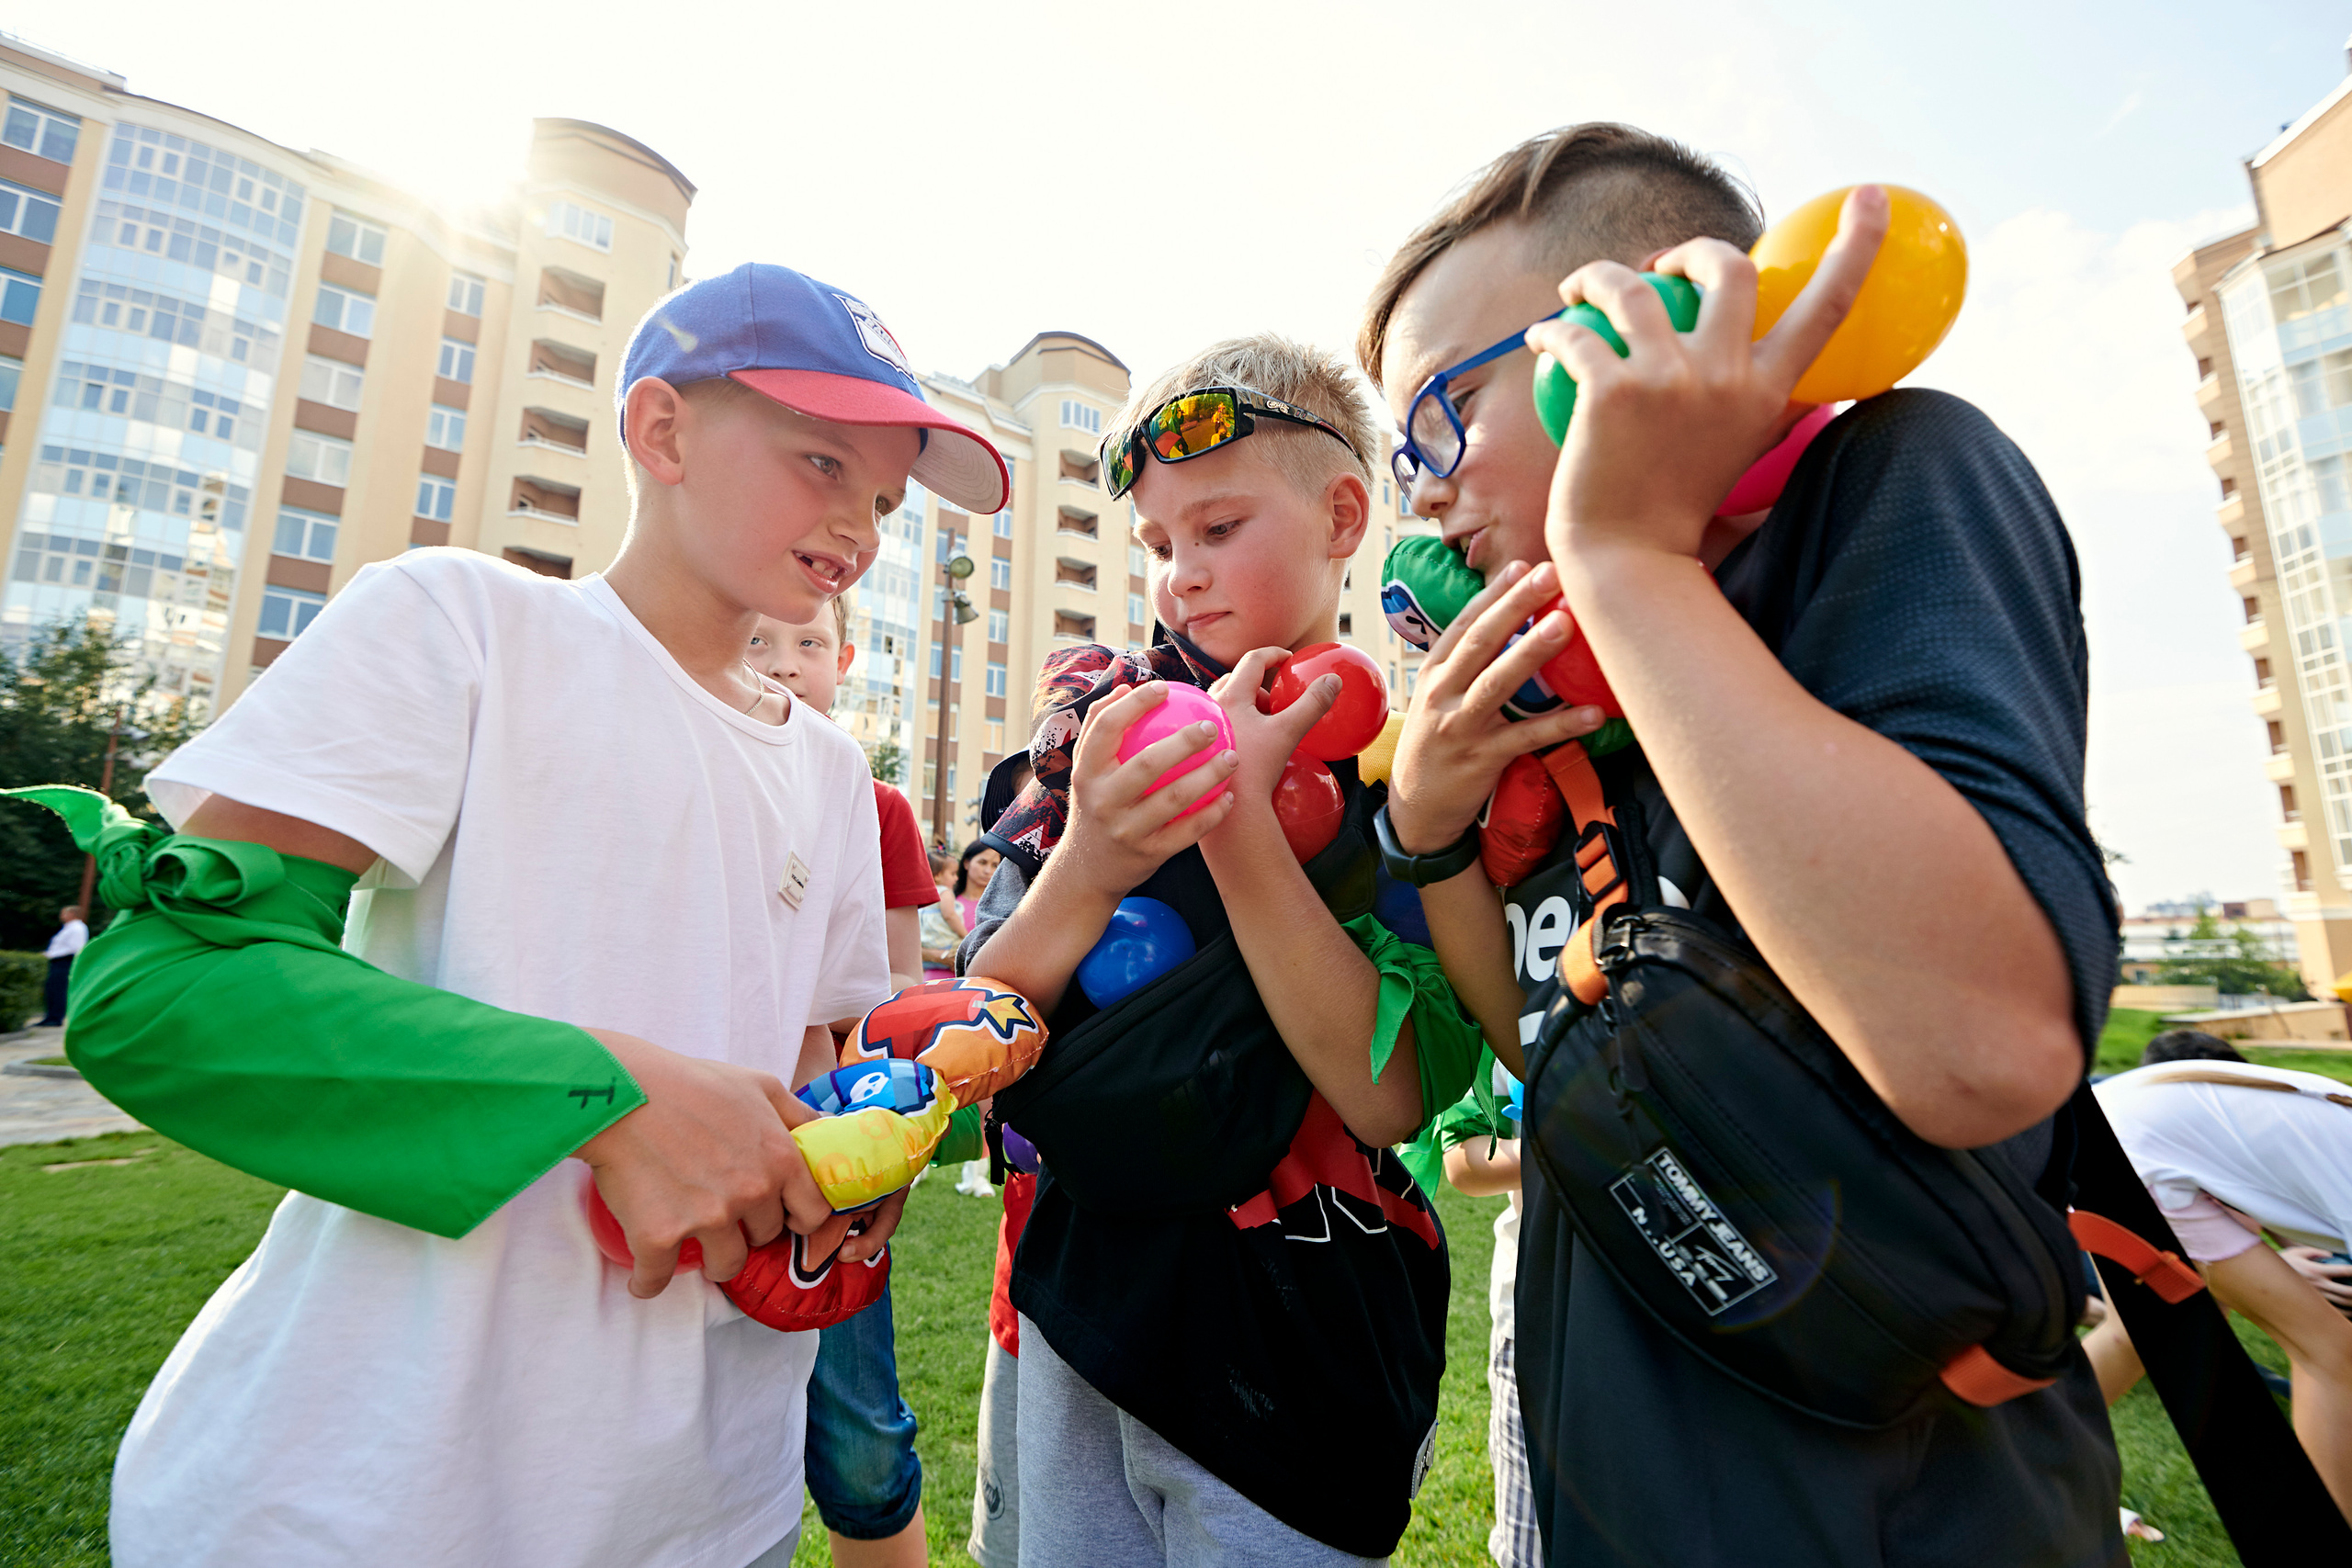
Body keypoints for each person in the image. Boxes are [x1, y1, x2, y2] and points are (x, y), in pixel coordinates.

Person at [51, 262, 1012, 1568]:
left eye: (887, 498)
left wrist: (849, 1164)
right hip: (365, 1499)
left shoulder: (837, 774)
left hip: (706, 1502)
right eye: (822, 461)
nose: (862, 524)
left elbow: (808, 1069)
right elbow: (160, 992)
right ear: (662, 430)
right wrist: (602, 1092)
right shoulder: (459, 626)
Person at [1369, 124, 2123, 1563]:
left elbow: (1982, 1043)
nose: (1424, 488)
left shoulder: (1891, 479)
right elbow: (1550, 1050)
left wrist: (1634, 558)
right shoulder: (1585, 678)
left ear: (1624, 328)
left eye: (1440, 418)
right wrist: (1434, 831)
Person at [965, 333, 1487, 1562]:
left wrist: (1243, 824)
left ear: (1344, 513)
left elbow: (1392, 1086)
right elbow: (977, 1025)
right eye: (1157, 544)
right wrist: (1090, 856)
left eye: (1217, 528)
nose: (1177, 577)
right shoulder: (1095, 738)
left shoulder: (1415, 774)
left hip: (1299, 1346)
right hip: (1078, 1311)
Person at [747, 593, 950, 1568]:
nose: (785, 664)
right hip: (708, 1144)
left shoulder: (873, 804)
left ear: (848, 656)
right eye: (759, 641)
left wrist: (873, 1118)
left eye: (809, 643)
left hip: (830, 1155)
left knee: (861, 1439)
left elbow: (894, 990)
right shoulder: (707, 771)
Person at [1438, 1082, 1539, 1568]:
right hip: (1532, 1316)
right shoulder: (1501, 1006)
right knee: (1527, 1546)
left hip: (1671, 1320)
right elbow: (1463, 1157)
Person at [919, 849, 967, 978]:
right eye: (952, 874)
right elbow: (949, 915)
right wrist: (965, 936)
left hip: (927, 949)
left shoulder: (923, 895)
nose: (956, 878)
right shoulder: (945, 892)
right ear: (938, 876)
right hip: (946, 944)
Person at [38, 903, 86, 1026]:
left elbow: (75, 948)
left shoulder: (77, 928)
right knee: (52, 990)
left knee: (58, 990)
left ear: (72, 914)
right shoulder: (69, 927)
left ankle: (56, 1018)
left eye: (64, 913)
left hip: (64, 962)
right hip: (59, 961)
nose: (62, 916)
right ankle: (51, 1017)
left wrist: (52, 954)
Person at [954, 840, 999, 932]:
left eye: (994, 865)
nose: (988, 871)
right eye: (982, 862)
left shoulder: (999, 908)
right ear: (966, 863)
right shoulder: (949, 902)